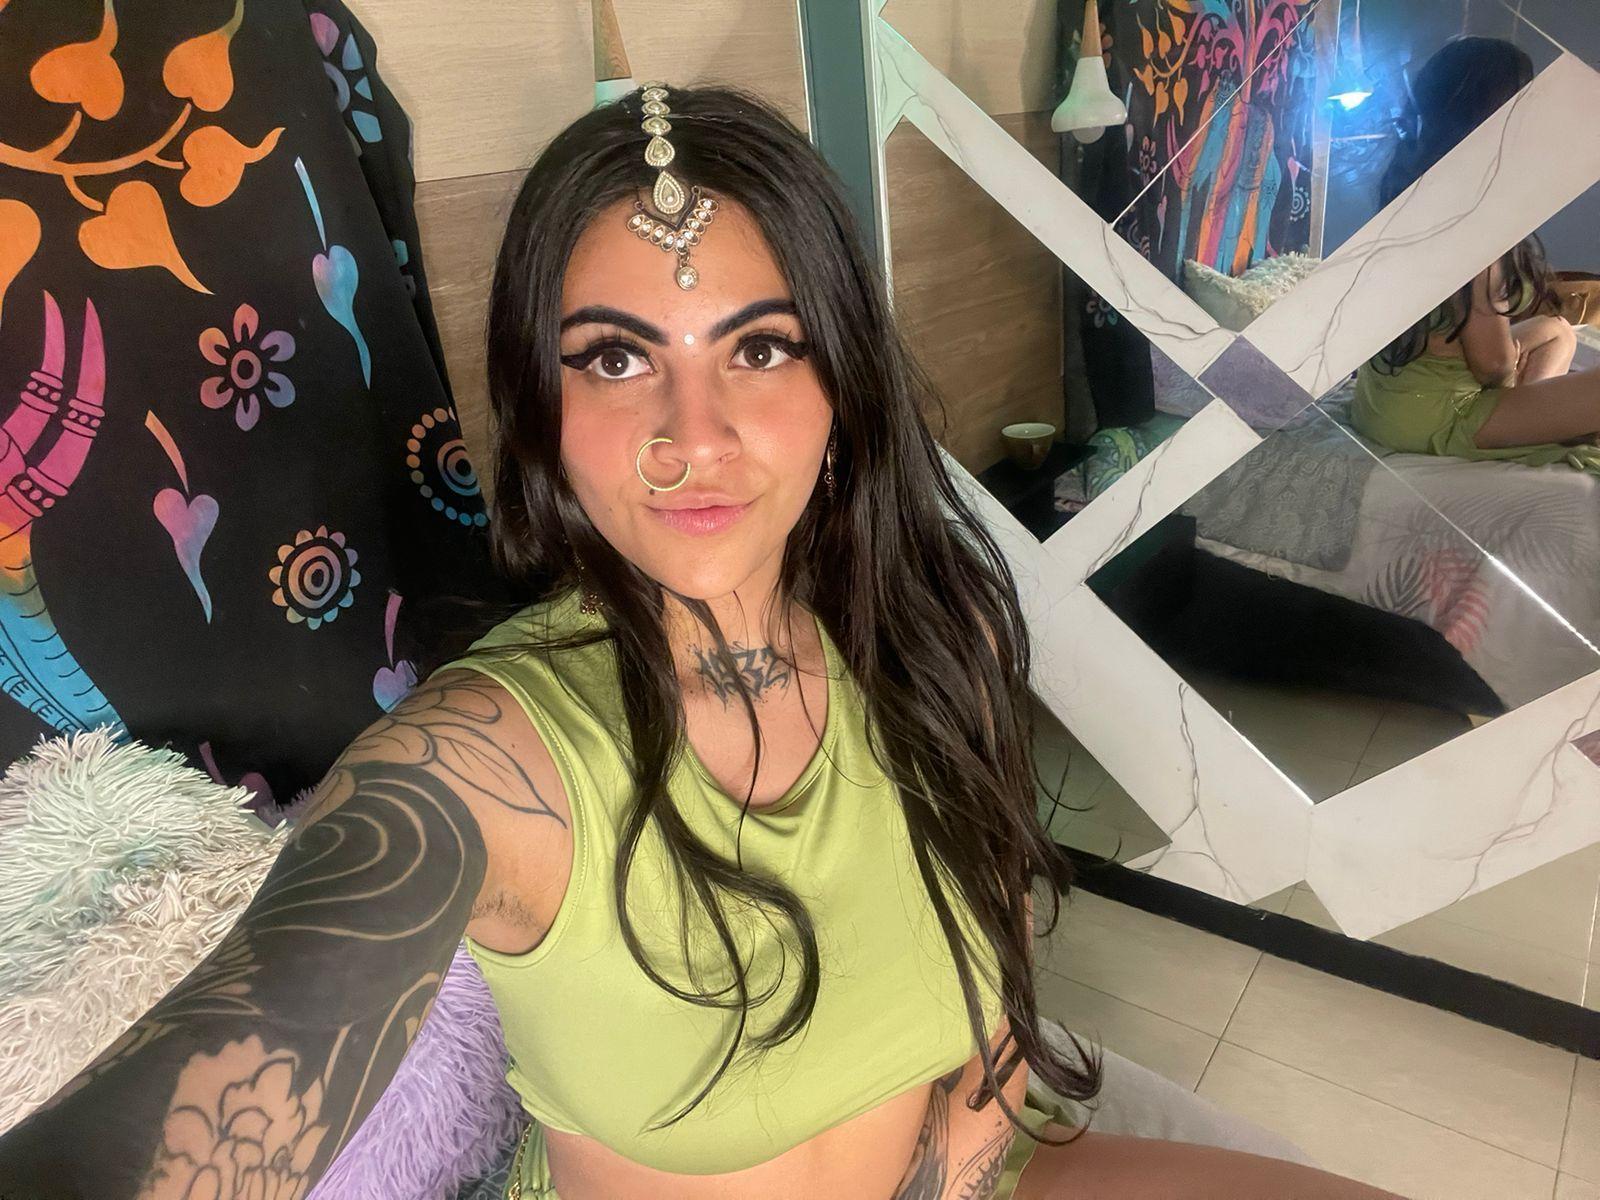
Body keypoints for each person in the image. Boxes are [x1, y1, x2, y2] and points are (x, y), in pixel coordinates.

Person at [0, 84, 1399, 1200]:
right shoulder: (481, 768)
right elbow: (252, 1042)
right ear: (542, 408)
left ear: (843, 385)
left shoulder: (936, 631)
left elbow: (981, 1012)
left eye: (761, 347)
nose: (695, 437)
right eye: (616, 358)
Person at [1352, 37, 1600, 473]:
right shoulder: (1467, 219)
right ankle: (1531, 423)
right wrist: (1508, 371)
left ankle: (1533, 419)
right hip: (1431, 417)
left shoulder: (1416, 193)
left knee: (1558, 331)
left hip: (1383, 403)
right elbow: (1492, 365)